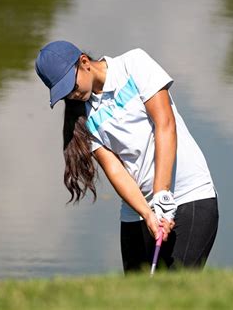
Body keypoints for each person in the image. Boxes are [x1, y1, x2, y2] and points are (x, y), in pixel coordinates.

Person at [35, 40, 219, 273]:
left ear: (84, 63)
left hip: (189, 196)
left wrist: (162, 194)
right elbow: (115, 169)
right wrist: (147, 213)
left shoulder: (134, 65)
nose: (71, 95)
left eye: (71, 86)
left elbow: (165, 124)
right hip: (137, 211)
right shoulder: (82, 117)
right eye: (64, 93)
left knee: (175, 295)